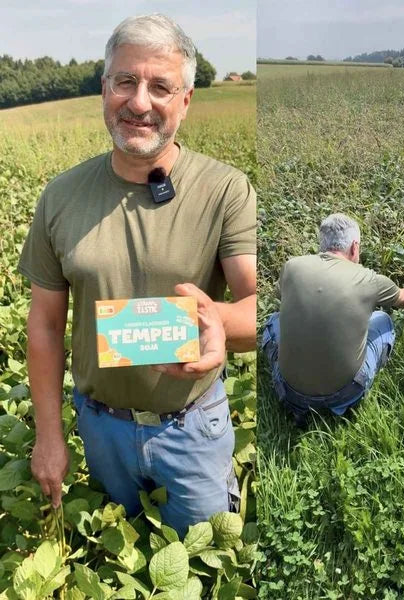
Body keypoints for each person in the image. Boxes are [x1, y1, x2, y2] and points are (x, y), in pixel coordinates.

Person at [18, 14, 256, 535]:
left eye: (160, 86)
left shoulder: (225, 190)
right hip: (100, 428)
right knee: (120, 555)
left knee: (201, 565)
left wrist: (216, 322)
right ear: (104, 89)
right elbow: (43, 325)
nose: (139, 102)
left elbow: (261, 307)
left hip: (192, 428)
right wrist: (50, 435)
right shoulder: (60, 197)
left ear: (186, 100)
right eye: (125, 81)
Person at [261, 213, 404, 424]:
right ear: (355, 247)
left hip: (290, 391)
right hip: (346, 393)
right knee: (383, 320)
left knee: (274, 321)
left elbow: (280, 296)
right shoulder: (369, 279)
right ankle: (342, 403)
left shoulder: (292, 266)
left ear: (322, 243)